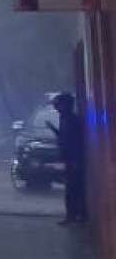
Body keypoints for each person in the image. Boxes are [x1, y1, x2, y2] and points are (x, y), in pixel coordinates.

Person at [48, 92, 88, 226]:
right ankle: (74, 215)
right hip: (70, 160)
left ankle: (75, 215)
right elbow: (64, 138)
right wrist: (54, 130)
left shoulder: (72, 120)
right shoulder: (65, 119)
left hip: (74, 160)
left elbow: (75, 142)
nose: (56, 108)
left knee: (74, 189)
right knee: (72, 189)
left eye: (58, 105)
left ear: (65, 105)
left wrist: (76, 160)